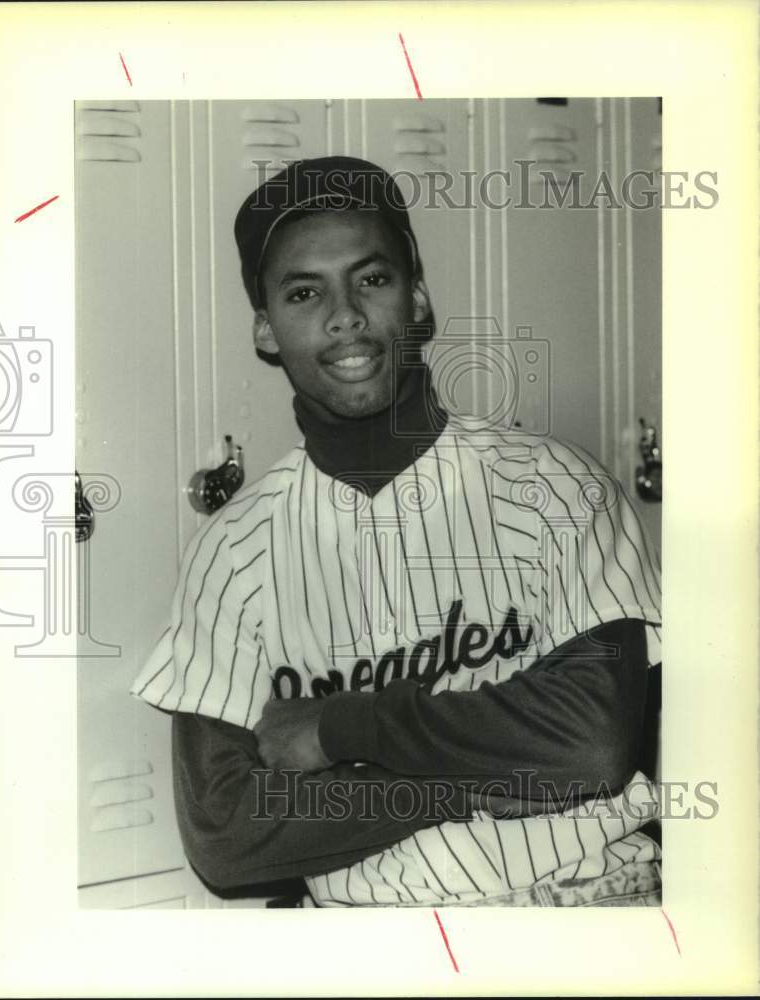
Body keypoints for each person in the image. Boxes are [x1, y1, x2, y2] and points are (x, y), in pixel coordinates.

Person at [131, 156, 663, 907]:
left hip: (581, 901)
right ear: (265, 328)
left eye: (371, 279)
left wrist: (338, 732)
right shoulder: (233, 551)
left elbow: (589, 747)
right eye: (304, 291)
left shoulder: (555, 487)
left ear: (416, 299)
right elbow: (226, 832)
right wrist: (479, 775)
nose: (344, 314)